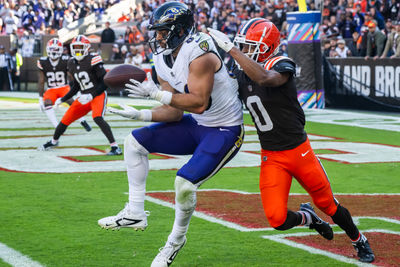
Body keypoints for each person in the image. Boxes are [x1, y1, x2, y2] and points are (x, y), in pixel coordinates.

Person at [207, 19, 375, 263]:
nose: (243, 51)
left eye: (248, 46)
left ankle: (359, 239)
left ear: (266, 47)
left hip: (299, 152)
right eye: (241, 46)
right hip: (272, 156)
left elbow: (266, 78)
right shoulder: (240, 73)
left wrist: (231, 50)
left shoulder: (280, 64)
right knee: (277, 219)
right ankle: (309, 218)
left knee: (328, 204)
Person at [98, 2, 243, 266]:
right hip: (197, 124)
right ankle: (135, 212)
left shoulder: (200, 52)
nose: (158, 37)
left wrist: (154, 93)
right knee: (134, 142)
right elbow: (174, 110)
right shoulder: (161, 57)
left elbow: (198, 101)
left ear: (180, 30)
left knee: (184, 185)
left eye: (163, 31)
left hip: (224, 128)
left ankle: (174, 242)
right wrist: (141, 115)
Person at [39, 35, 122, 156]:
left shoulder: (93, 59)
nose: (77, 50)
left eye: (80, 47)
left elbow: (105, 82)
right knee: (65, 120)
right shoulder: (71, 62)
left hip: (97, 94)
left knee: (97, 117)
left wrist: (92, 95)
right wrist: (63, 99)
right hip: (83, 97)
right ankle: (54, 141)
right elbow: (76, 86)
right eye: (75, 47)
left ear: (87, 48)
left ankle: (115, 147)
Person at [37, 38, 91, 130]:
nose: (53, 51)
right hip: (51, 89)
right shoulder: (42, 61)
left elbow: (72, 76)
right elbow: (41, 81)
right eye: (51, 49)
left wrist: (78, 89)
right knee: (48, 103)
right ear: (47, 49)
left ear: (61, 50)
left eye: (56, 49)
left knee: (71, 101)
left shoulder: (66, 60)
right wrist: (41, 98)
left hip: (64, 87)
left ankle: (82, 120)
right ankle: (57, 126)